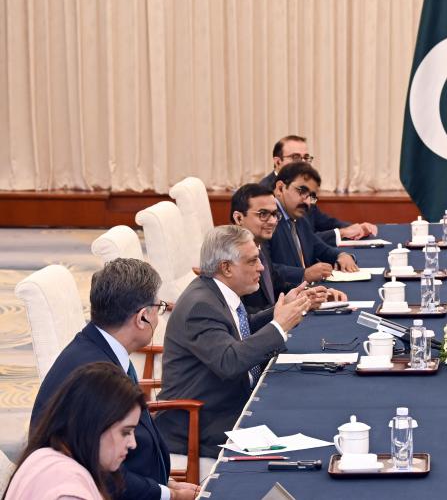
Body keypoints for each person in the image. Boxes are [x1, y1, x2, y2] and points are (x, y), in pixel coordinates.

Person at [29, 258, 199, 500]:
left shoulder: (102, 349)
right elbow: (100, 474)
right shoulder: (93, 376)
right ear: (142, 318)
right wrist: (168, 494)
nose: (158, 317)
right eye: (158, 308)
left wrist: (167, 483)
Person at [155, 226, 310, 457]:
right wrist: (279, 326)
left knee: (305, 403)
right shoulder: (200, 306)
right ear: (226, 267)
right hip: (203, 424)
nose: (261, 267)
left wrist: (283, 310)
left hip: (228, 405)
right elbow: (230, 361)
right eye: (252, 261)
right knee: (301, 422)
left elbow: (240, 329)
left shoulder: (215, 292)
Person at [8, 362, 148, 500]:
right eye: (125, 432)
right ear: (93, 424)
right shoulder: (68, 491)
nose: (133, 444)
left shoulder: (42, 457)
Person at [230, 183, 346, 314]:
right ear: (239, 218)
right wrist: (286, 305)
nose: (272, 221)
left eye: (274, 214)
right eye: (263, 214)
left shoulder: (260, 248)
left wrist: (312, 294)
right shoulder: (231, 259)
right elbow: (240, 316)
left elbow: (276, 285)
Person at [258, 134, 377, 244]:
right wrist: (341, 233)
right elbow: (293, 240)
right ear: (278, 161)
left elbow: (321, 220)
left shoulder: (305, 185)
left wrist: (355, 227)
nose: (303, 163)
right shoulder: (264, 194)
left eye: (306, 158)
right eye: (296, 157)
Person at [268, 161, 360, 286]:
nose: (307, 202)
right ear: (280, 188)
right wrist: (303, 274)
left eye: (311, 195)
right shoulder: (267, 221)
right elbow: (265, 269)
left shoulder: (299, 217)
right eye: (302, 191)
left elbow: (318, 247)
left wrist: (341, 255)